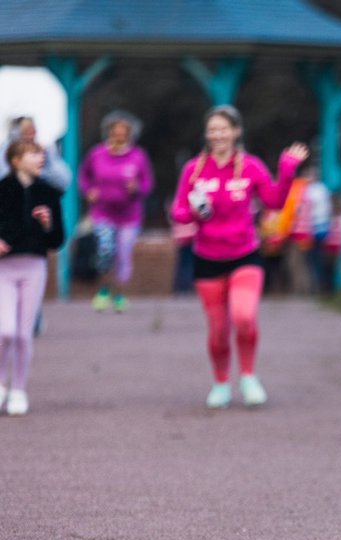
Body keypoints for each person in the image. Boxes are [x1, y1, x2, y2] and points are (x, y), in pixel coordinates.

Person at [170, 105, 308, 409]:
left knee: (244, 317)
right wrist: (193, 210)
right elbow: (178, 212)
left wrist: (286, 169)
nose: (217, 135)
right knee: (219, 331)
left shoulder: (251, 166)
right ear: (207, 134)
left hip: (244, 255)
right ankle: (221, 383)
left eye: (223, 129)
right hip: (207, 259)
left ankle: (248, 376)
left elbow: (274, 200)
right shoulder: (193, 169)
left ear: (236, 132)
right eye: (212, 130)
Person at [0, 139, 65, 415]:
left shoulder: (49, 192)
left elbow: (57, 240)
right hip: (5, 268)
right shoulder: (2, 190)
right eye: (33, 153)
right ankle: (1, 382)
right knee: (5, 330)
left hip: (34, 266)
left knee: (25, 334)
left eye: (41, 154)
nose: (40, 158)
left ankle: (19, 390)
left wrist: (47, 224)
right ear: (15, 160)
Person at [79, 111, 154, 313]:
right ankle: (103, 291)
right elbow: (84, 176)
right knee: (105, 250)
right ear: (109, 133)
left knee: (123, 254)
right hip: (103, 213)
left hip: (129, 216)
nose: (119, 136)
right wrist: (89, 191)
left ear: (130, 135)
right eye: (116, 132)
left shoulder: (138, 156)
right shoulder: (96, 154)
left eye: (124, 133)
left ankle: (120, 294)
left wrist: (137, 188)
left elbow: (148, 184)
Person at [0, 116, 71, 193]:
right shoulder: (7, 151)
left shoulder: (44, 151)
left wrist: (48, 159)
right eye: (26, 132)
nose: (31, 136)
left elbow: (64, 179)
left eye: (33, 132)